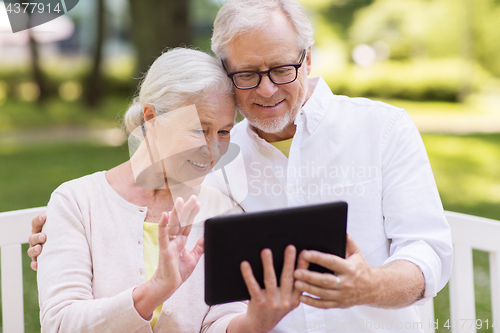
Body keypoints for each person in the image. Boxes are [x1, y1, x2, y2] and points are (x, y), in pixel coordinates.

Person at [31, 0, 454, 331]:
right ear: (227, 76)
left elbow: (429, 250)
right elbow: (142, 188)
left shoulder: (380, 128)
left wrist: (371, 286)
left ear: (307, 59)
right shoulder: (210, 163)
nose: (267, 89)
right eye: (248, 74)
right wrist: (63, 232)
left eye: (282, 69)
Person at [35, 47, 303, 333]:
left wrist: (254, 323)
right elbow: (60, 323)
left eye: (224, 132)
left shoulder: (224, 213)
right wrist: (154, 291)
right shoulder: (78, 202)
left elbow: (219, 321)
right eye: (200, 130)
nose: (214, 149)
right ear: (151, 118)